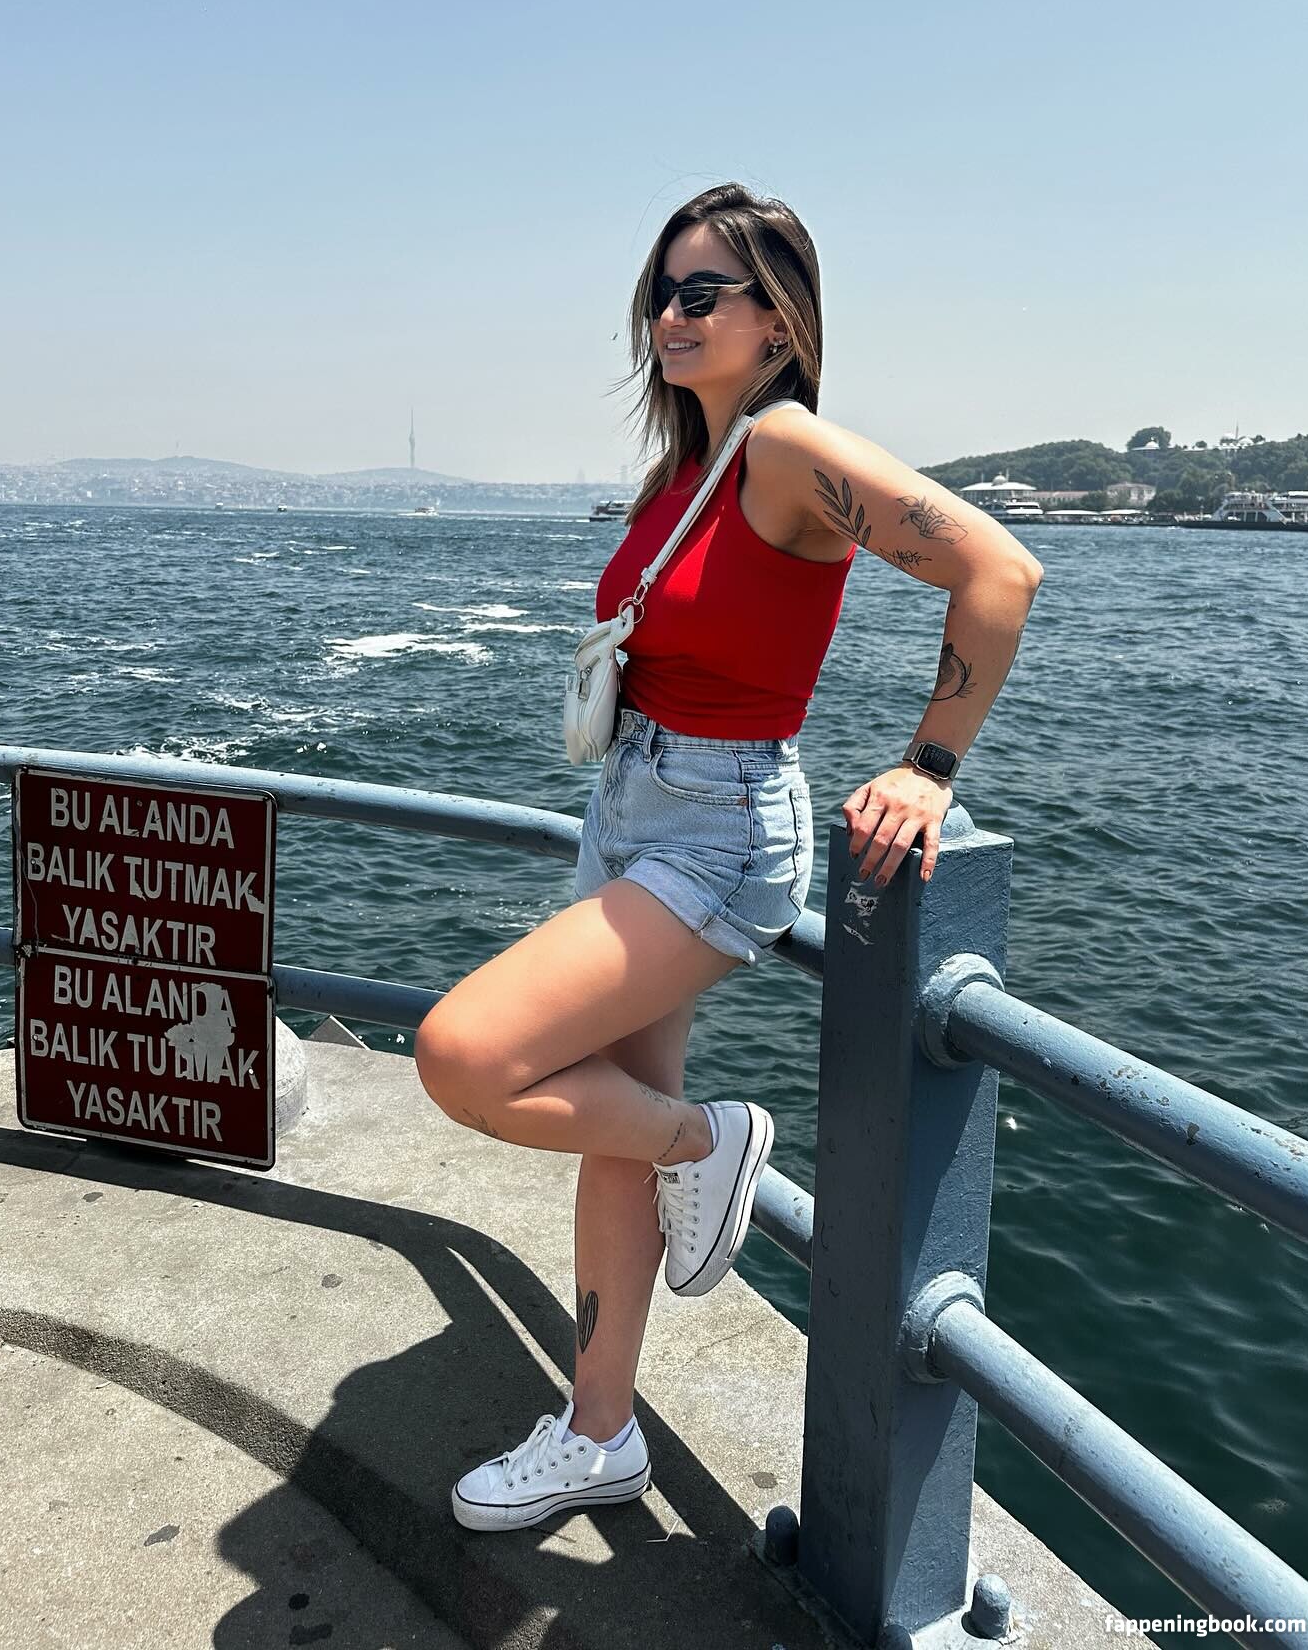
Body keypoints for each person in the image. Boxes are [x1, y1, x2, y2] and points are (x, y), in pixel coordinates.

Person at [415, 182, 1045, 1532]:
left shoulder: (785, 448)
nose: (672, 314)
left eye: (704, 292)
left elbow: (999, 571)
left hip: (719, 830)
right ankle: (599, 1433)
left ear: (780, 319)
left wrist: (927, 770)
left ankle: (715, 1140)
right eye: (661, 291)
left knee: (465, 1056)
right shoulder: (685, 470)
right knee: (613, 1130)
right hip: (634, 807)